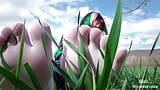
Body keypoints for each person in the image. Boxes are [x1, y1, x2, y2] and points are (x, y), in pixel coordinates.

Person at [0, 11, 127, 89]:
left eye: (101, 20)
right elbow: (58, 51)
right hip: (61, 62)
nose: (100, 21)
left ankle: (46, 82)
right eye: (96, 19)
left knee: (54, 71)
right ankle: (48, 78)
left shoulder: (105, 41)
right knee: (55, 68)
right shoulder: (74, 35)